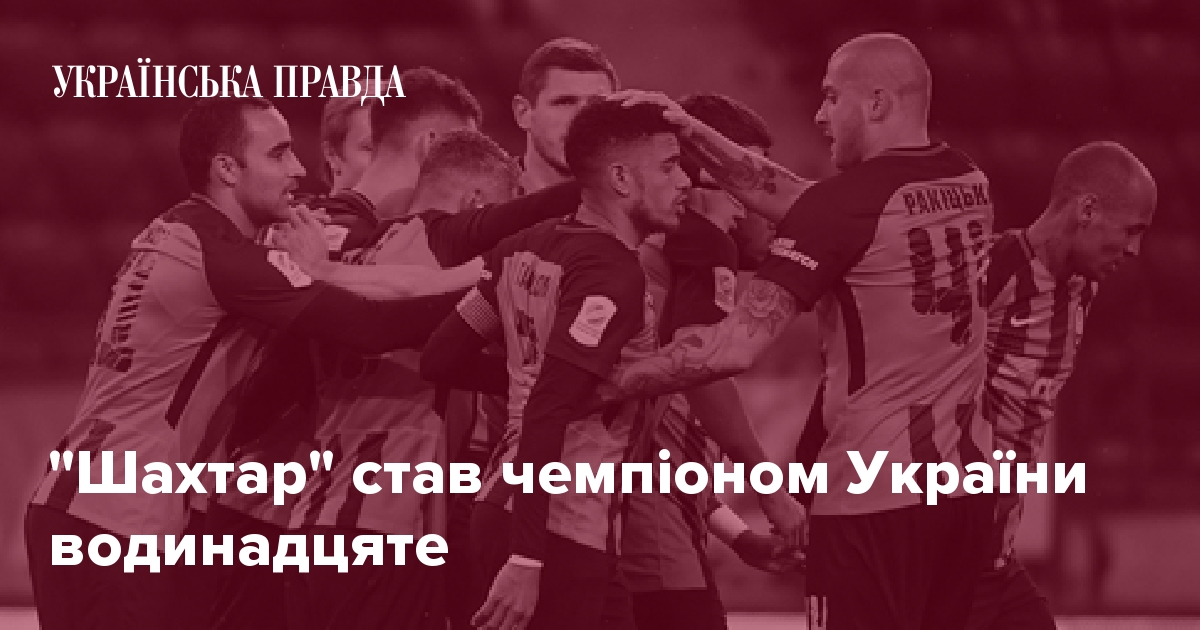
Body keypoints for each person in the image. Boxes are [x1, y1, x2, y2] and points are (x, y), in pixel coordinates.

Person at [23, 96, 478, 630]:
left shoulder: (191, 235)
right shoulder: (218, 254)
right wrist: (491, 287)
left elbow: (347, 286)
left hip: (97, 500)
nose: (298, 169)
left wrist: (465, 276)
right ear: (226, 168)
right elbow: (369, 325)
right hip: (117, 514)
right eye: (278, 153)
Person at [602, 33, 998, 629]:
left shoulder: (840, 210)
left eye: (833, 97)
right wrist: (691, 130)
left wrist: (610, 378)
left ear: (877, 102)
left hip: (872, 496)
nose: (819, 115)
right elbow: (795, 196)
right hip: (963, 493)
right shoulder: (967, 181)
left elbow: (732, 347)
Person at [421, 99, 690, 630]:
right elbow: (548, 405)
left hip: (509, 505)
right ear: (621, 178)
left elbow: (440, 358)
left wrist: (538, 375)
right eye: (669, 166)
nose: (684, 182)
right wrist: (529, 558)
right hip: (556, 528)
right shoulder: (613, 273)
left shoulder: (521, 247)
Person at [624, 92, 803, 630]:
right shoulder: (701, 243)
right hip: (645, 530)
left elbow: (659, 451)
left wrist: (734, 534)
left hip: (605, 517)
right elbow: (705, 374)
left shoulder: (646, 253)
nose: (760, 203)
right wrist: (771, 493)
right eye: (748, 178)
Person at [966, 141, 1156, 630]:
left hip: (995, 554)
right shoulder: (992, 272)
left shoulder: (1082, 284)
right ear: (1087, 210)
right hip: (953, 547)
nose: (1134, 250)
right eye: (1131, 230)